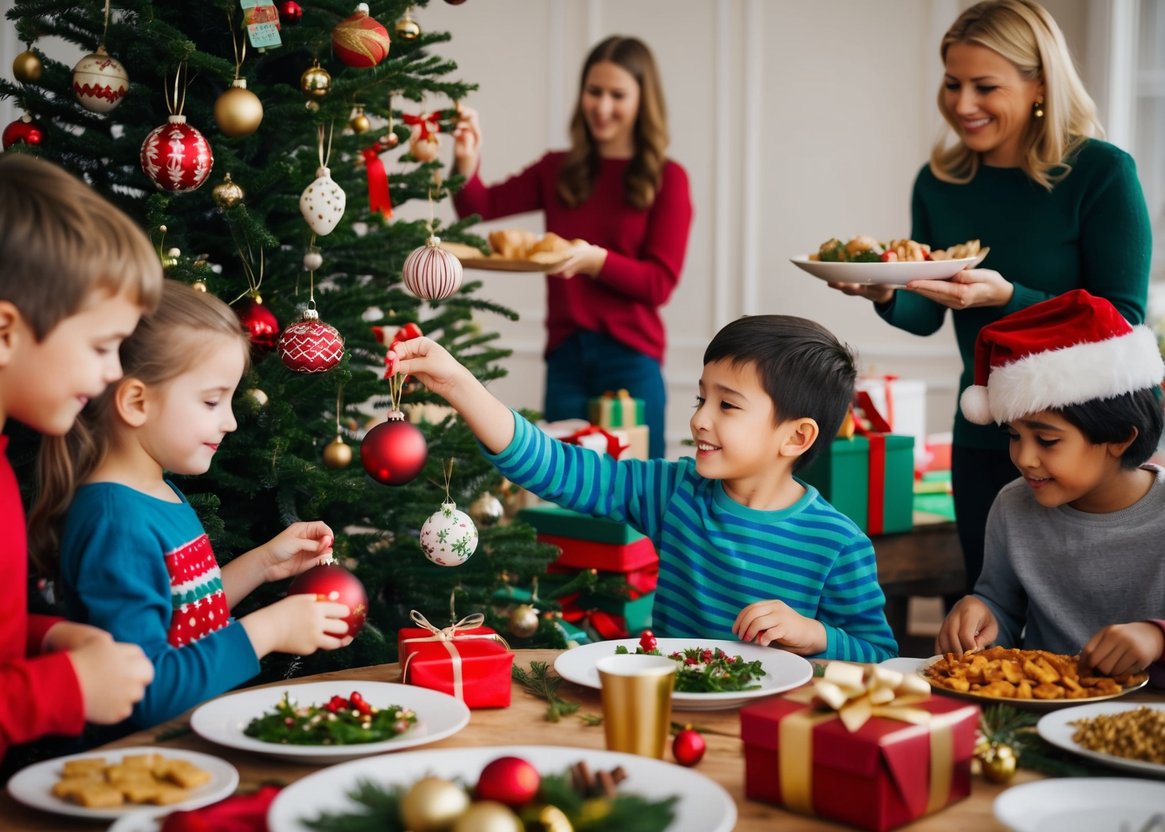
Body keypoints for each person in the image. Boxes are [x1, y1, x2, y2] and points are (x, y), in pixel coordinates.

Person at [825, 0, 1152, 594]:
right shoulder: (940, 183)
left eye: (985, 86)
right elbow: (928, 313)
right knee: (990, 602)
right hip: (984, 431)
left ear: (1039, 85)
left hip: (1081, 441)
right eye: (953, 83)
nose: (963, 104)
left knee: (1086, 613)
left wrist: (1006, 296)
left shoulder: (1101, 174)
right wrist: (884, 290)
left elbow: (1122, 323)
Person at [389, 316, 898, 661]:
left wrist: (815, 636)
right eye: (702, 398)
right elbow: (555, 467)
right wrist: (459, 384)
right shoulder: (675, 492)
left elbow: (881, 656)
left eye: (727, 405)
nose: (699, 419)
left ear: (796, 436)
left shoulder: (839, 544)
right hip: (668, 705)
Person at [27, 280, 355, 729]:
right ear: (137, 401)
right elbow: (143, 691)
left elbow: (184, 619)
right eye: (212, 400)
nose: (231, 421)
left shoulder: (157, 491)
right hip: (131, 771)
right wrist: (267, 631)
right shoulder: (114, 520)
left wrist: (261, 565)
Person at [0, 154, 160, 824]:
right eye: (103, 346)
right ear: (3, 333)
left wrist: (46, 638)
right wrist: (62, 688)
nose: (112, 374)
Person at [451, 35, 694, 460]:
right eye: (593, 91)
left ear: (643, 100)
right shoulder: (557, 169)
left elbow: (659, 283)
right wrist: (466, 162)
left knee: (635, 496)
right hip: (566, 357)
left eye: (617, 95)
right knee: (562, 491)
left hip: (631, 360)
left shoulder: (668, 179)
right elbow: (478, 208)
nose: (602, 106)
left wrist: (595, 261)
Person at [936, 290, 1165, 685]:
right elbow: (1003, 611)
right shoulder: (1013, 506)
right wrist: (983, 612)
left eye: (1047, 440)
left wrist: (1158, 636)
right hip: (1038, 714)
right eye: (1013, 434)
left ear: (1120, 438)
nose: (1024, 458)